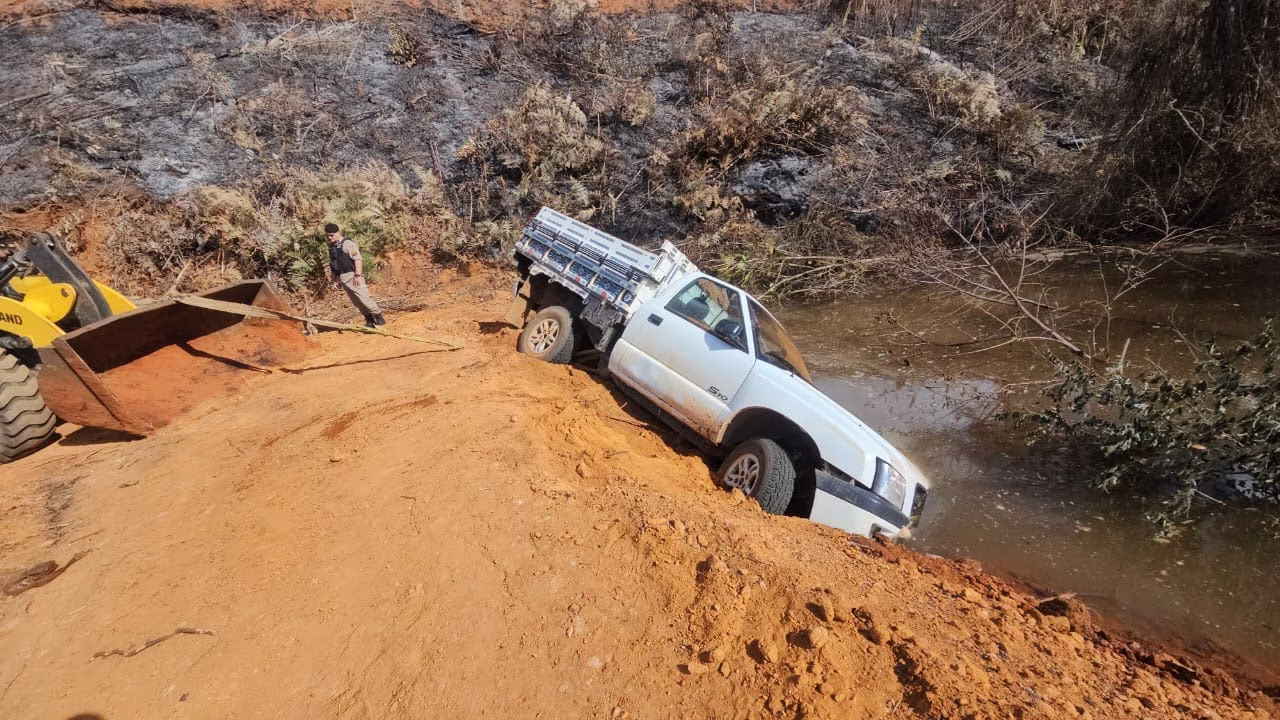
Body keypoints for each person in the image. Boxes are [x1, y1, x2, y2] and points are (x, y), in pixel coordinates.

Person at [325, 223, 385, 328]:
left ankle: (380, 319)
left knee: (364, 299)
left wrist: (357, 275)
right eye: (327, 235)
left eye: (331, 235)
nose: (329, 237)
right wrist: (335, 280)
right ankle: (369, 321)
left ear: (338, 233)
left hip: (353, 276)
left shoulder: (347, 244)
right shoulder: (333, 247)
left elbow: (358, 259)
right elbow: (335, 266)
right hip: (343, 277)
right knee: (356, 302)